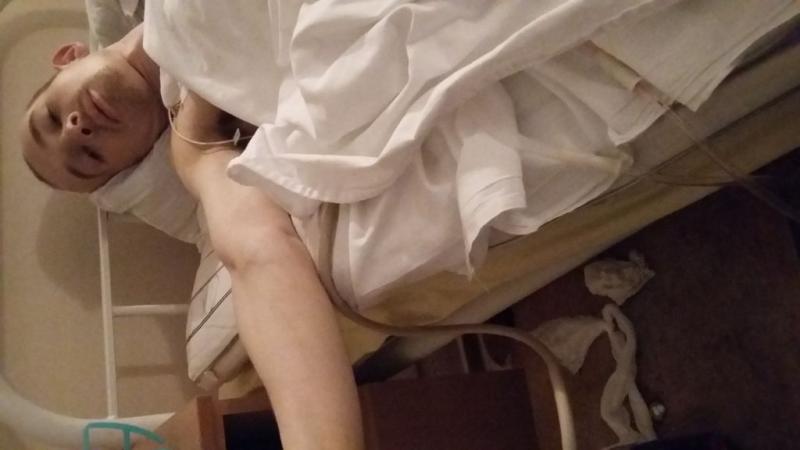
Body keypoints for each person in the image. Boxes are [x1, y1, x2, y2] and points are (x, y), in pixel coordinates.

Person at [19, 24, 365, 450]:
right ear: (132, 166)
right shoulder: (195, 146)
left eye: (52, 117)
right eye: (89, 157)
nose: (74, 131)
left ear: (68, 57)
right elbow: (255, 252)